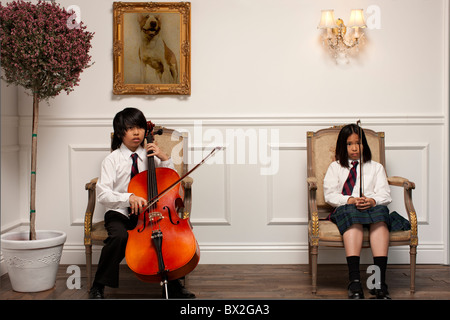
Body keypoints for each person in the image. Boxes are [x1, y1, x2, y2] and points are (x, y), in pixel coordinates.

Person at [89, 107, 195, 299]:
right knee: (119, 237)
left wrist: (165, 158)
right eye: (130, 128)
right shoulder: (111, 160)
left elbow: (171, 182)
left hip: (150, 212)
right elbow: (103, 194)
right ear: (121, 132)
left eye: (139, 127)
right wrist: (128, 198)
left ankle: (173, 285)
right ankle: (98, 286)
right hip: (120, 212)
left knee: (163, 237)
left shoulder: (150, 156)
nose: (136, 132)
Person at [323, 123, 410, 299]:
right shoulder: (335, 167)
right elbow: (329, 195)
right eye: (349, 143)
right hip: (347, 208)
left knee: (381, 215)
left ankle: (378, 282)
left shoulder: (376, 167)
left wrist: (371, 200)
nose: (354, 147)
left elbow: (385, 194)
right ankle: (354, 281)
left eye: (358, 143)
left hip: (372, 209)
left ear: (364, 145)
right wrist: (350, 200)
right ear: (343, 146)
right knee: (352, 215)